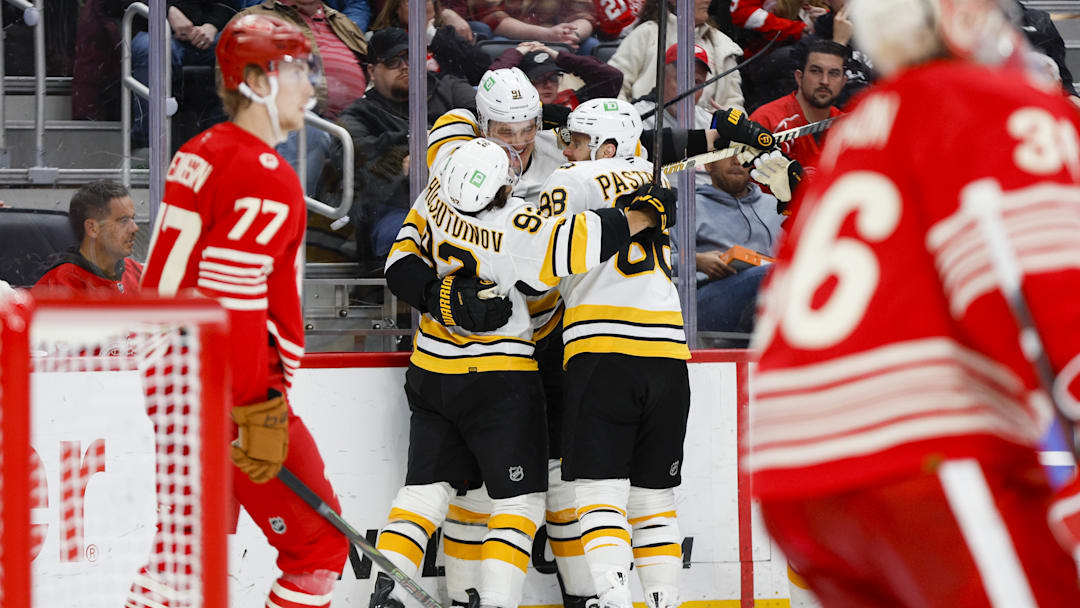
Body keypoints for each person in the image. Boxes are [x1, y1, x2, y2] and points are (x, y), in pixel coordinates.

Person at [749, 0, 1080, 605]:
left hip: (795, 468)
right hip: (919, 457)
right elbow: (1033, 293)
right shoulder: (994, 103)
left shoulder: (862, 129)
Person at [371, 136, 673, 608]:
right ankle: (496, 603)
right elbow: (580, 244)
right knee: (521, 503)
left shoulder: (432, 195)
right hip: (499, 379)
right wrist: (643, 215)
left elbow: (398, 263)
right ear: (502, 189)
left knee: (425, 490)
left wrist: (437, 296)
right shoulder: (514, 227)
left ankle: (387, 586)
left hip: (430, 370)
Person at [133, 15, 348, 608]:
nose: (311, 87)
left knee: (186, 554)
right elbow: (234, 302)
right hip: (231, 390)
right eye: (298, 70)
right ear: (254, 79)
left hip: (178, 380)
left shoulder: (200, 150)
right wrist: (260, 406)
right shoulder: (263, 173)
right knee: (318, 552)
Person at [538, 98, 690, 608]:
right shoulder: (654, 180)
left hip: (602, 350)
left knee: (598, 494)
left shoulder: (571, 180)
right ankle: (664, 601)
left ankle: (614, 600)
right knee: (653, 501)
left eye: (577, 140)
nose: (568, 149)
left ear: (604, 146)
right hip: (669, 356)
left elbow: (540, 260)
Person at [334, 26, 477, 259]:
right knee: (413, 238)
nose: (405, 66)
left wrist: (430, 146)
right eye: (393, 61)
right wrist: (406, 156)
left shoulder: (449, 89)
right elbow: (358, 158)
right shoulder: (359, 115)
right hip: (398, 210)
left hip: (465, 203)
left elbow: (484, 123)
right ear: (372, 71)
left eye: (411, 57)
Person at [236, 0, 368, 192]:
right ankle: (284, 212)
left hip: (354, 123)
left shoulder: (343, 23)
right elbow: (235, 81)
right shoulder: (254, 19)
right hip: (293, 123)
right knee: (306, 129)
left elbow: (374, 70)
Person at [677, 154, 782, 334]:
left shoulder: (777, 206)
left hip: (770, 291)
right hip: (705, 299)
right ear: (709, 164)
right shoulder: (687, 206)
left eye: (743, 154)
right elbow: (659, 259)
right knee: (771, 275)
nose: (737, 161)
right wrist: (697, 260)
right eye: (728, 155)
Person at [126, 0, 236, 146]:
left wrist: (212, 25)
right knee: (150, 49)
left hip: (208, 33)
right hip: (155, 31)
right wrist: (167, 11)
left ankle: (220, 141)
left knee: (239, 47)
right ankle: (148, 143)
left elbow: (229, 4)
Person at [609, 0, 744, 115]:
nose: (707, 0)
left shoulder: (724, 46)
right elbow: (612, 88)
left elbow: (735, 104)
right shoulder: (646, 34)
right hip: (646, 134)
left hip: (707, 139)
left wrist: (724, 122)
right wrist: (629, 122)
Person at [750, 39, 845, 175]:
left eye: (834, 73)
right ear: (799, 77)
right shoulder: (767, 120)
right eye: (816, 71)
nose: (825, 81)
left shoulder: (850, 129)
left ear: (843, 82)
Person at [34, 181, 142, 294]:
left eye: (132, 219)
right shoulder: (59, 285)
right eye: (123, 221)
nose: (134, 228)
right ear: (92, 228)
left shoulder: (138, 273)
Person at [489, 41, 623, 109]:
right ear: (525, 82)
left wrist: (557, 55)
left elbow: (612, 76)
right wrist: (517, 52)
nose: (548, 85)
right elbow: (491, 81)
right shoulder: (512, 107)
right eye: (540, 78)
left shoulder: (576, 102)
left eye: (553, 78)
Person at [633, 43, 715, 130]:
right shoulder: (637, 117)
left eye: (697, 82)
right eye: (683, 79)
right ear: (662, 77)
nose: (689, 90)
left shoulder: (708, 122)